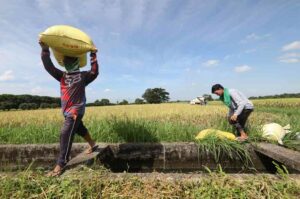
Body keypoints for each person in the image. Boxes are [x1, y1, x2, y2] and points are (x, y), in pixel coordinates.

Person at [39, 41, 99, 176]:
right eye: (66, 60)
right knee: (79, 128)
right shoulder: (62, 76)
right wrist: (45, 50)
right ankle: (92, 144)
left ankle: (61, 164)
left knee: (65, 133)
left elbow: (94, 72)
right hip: (67, 112)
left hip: (76, 111)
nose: (67, 62)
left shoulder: (83, 76)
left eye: (70, 60)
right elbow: (49, 66)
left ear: (76, 62)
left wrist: (93, 55)